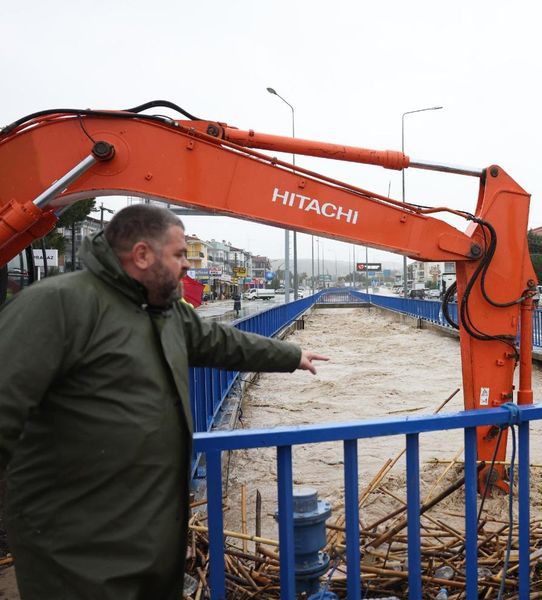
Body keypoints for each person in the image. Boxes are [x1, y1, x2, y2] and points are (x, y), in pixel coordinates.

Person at [0, 204, 328, 600]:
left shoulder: (163, 311)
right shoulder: (58, 304)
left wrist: (291, 355)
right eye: (178, 254)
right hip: (76, 548)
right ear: (142, 255)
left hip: (149, 539)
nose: (187, 265)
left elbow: (221, 342)